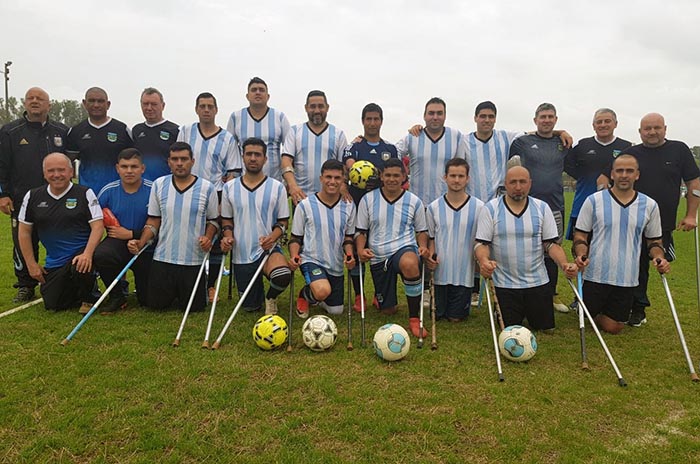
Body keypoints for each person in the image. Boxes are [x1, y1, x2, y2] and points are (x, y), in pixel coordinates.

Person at [572, 155, 670, 334]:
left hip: (626, 278)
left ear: (637, 175)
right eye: (619, 171)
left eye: (629, 171)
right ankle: (585, 309)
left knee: (614, 327)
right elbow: (580, 234)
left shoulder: (649, 205)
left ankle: (598, 313)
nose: (624, 175)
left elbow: (654, 241)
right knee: (586, 319)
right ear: (612, 174)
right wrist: (580, 253)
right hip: (595, 275)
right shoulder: (594, 201)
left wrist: (659, 257)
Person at [475, 166, 578, 332]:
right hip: (504, 284)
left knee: (545, 328)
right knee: (508, 328)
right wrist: (484, 261)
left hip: (537, 282)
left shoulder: (542, 208)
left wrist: (565, 264)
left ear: (530, 184)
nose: (518, 187)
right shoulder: (491, 209)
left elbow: (551, 245)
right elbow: (482, 244)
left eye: (522, 182)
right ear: (505, 184)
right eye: (513, 182)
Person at [623, 113, 700, 326]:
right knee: (636, 267)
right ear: (640, 132)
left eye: (656, 127)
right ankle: (637, 309)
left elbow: (694, 182)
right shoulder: (632, 153)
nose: (652, 132)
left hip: (664, 222)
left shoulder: (679, 150)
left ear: (665, 129)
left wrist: (692, 214)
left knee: (659, 261)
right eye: (647, 128)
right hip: (633, 222)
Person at [127, 142, 219, 312]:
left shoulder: (207, 188)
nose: (179, 163)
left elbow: (213, 220)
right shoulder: (159, 185)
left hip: (193, 261)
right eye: (175, 159)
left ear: (192, 161)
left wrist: (207, 237)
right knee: (155, 306)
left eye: (184, 159)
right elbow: (153, 220)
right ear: (169, 162)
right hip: (163, 259)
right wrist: (141, 242)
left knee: (194, 309)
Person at [0, 87, 69, 302]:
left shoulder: (61, 131)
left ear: (49, 104)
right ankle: (25, 285)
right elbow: (2, 165)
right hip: (22, 199)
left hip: (56, 197)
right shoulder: (10, 131)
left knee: (61, 238)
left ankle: (66, 277)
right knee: (24, 241)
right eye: (30, 98)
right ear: (24, 104)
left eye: (40, 98)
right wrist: (2, 194)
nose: (35, 101)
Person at [17, 153, 104, 311]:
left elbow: (98, 226)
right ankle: (75, 290)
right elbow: (24, 232)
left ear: (71, 172)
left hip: (81, 256)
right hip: (55, 262)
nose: (56, 175)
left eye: (61, 170)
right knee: (53, 304)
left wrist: (88, 254)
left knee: (80, 266)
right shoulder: (32, 196)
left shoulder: (85, 193)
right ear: (44, 174)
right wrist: (31, 265)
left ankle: (89, 295)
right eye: (51, 171)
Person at [355, 158, 430, 337]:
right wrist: (360, 250)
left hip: (404, 248)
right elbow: (361, 231)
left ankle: (414, 319)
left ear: (404, 176)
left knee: (410, 263)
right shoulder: (368, 199)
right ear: (381, 176)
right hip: (379, 257)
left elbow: (422, 230)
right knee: (388, 310)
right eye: (388, 175)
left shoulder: (414, 201)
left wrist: (422, 246)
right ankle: (382, 299)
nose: (392, 179)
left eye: (396, 175)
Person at [177, 92, 241, 300]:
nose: (206, 110)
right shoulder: (186, 131)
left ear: (216, 110)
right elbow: (177, 159)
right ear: (196, 109)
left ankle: (211, 285)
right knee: (190, 237)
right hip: (188, 191)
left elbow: (232, 172)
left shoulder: (227, 138)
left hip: (216, 194)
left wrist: (226, 202)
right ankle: (188, 280)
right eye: (202, 106)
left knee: (214, 239)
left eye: (210, 106)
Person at [508, 103, 570, 313]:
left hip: (554, 206)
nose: (546, 120)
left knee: (551, 251)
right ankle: (524, 293)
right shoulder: (522, 142)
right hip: (528, 207)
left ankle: (551, 295)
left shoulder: (563, 142)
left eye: (550, 117)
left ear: (556, 119)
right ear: (535, 120)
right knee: (527, 249)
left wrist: (561, 133)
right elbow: (513, 168)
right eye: (543, 116)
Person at [220, 137, 292, 315]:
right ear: (243, 157)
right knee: (251, 307)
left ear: (265, 159)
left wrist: (272, 238)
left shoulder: (277, 187)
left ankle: (271, 297)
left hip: (267, 250)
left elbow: (283, 222)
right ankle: (254, 296)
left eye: (257, 155)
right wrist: (227, 236)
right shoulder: (229, 187)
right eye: (249, 154)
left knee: (282, 275)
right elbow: (227, 220)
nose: (253, 158)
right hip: (241, 255)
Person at [342, 103, 399, 311]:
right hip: (358, 204)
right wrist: (356, 169)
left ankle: (379, 293)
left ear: (381, 121)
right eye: (369, 119)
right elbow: (347, 164)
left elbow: (397, 172)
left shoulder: (390, 149)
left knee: (378, 248)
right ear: (363, 121)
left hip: (381, 206)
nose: (372, 123)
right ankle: (359, 295)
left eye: (376, 119)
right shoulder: (355, 146)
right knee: (358, 249)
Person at [289, 159, 356, 318]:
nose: (332, 181)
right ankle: (305, 295)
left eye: (337, 178)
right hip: (312, 260)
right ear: (321, 178)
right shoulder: (305, 205)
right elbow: (295, 238)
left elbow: (348, 237)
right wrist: (293, 256)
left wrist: (349, 255)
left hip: (335, 265)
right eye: (328, 177)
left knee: (336, 311)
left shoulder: (349, 206)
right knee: (322, 291)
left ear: (343, 180)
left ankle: (319, 296)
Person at [93, 148, 153, 312]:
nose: (129, 171)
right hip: (117, 242)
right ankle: (117, 296)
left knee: (148, 301)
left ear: (142, 168)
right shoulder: (107, 191)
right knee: (101, 255)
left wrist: (133, 235)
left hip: (147, 244)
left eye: (134, 166)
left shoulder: (154, 190)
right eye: (124, 166)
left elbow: (163, 224)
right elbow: (95, 222)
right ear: (117, 168)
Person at [426, 158, 484, 322]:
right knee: (438, 315)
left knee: (455, 318)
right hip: (440, 275)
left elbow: (481, 241)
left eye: (460, 176)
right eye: (452, 176)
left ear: (468, 178)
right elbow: (431, 237)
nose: (456, 180)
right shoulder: (433, 207)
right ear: (445, 177)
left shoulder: (479, 207)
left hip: (464, 275)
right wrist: (430, 256)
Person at [281, 90, 348, 205]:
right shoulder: (295, 131)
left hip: (331, 199)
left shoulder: (338, 134)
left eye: (321, 106)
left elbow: (344, 166)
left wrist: (343, 185)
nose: (317, 110)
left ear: (327, 108)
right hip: (302, 198)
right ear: (306, 108)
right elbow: (286, 160)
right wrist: (293, 186)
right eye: (312, 106)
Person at [397, 97, 466, 207]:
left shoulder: (456, 136)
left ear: (445, 116)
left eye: (439, 113)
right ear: (424, 116)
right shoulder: (413, 136)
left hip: (446, 205)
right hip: (417, 204)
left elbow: (462, 169)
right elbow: (393, 152)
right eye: (431, 113)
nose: (435, 117)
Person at [66, 87, 133, 194]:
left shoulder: (122, 130)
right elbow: (67, 164)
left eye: (100, 101)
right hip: (87, 193)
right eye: (92, 101)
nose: (96, 105)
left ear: (108, 104)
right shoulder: (75, 132)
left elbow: (133, 162)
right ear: (84, 103)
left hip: (117, 194)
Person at [227, 77, 290, 182]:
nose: (257, 93)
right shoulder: (236, 117)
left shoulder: (279, 117)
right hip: (243, 181)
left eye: (261, 90)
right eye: (254, 90)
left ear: (268, 96)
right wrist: (232, 174)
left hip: (274, 181)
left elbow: (289, 148)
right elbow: (230, 149)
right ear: (247, 96)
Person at [131, 87, 179, 181]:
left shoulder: (175, 130)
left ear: (163, 105)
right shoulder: (136, 130)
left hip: (165, 185)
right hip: (141, 187)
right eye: (145, 104)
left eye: (154, 104)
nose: (149, 108)